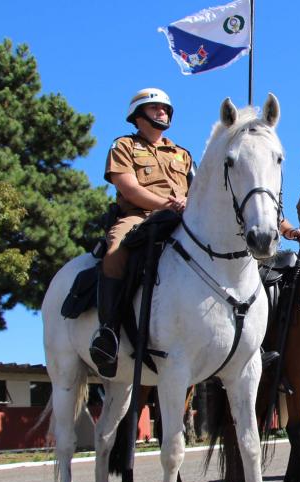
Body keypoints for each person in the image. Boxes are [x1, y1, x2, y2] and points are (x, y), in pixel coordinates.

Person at [90, 88, 193, 377]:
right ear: (138, 115)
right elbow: (129, 189)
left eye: (165, 108)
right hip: (139, 217)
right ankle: (108, 332)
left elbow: (198, 190)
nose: (162, 112)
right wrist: (166, 204)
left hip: (181, 218)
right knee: (115, 250)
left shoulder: (182, 154)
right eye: (155, 107)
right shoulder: (123, 145)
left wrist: (189, 205)